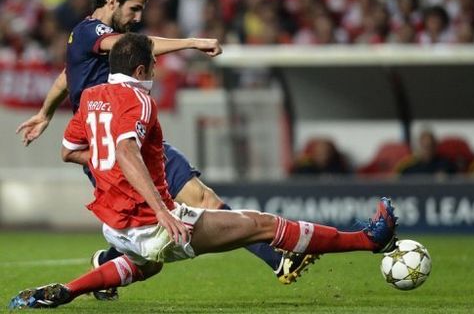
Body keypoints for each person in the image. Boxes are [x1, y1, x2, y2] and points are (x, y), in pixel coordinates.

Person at [9, 33, 398, 309]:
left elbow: (68, 150)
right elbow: (127, 149)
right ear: (142, 67)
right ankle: (369, 240)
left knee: (146, 265)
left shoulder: (91, 98)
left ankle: (66, 291)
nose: (157, 70)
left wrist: (103, 162)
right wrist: (162, 212)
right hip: (153, 222)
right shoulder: (140, 101)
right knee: (262, 224)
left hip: (115, 226)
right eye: (155, 64)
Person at [14, 0, 315, 299]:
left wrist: (45, 113)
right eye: (134, 8)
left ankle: (275, 260)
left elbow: (66, 76)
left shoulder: (87, 41)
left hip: (130, 141)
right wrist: (191, 42)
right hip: (115, 149)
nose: (138, 16)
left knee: (191, 208)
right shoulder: (91, 32)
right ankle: (277, 257)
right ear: (112, 2)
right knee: (159, 234)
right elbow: (136, 45)